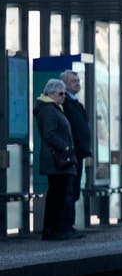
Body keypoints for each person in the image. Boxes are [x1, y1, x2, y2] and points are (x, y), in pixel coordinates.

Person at [34, 78, 80, 240]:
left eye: (64, 93)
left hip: (58, 160)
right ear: (51, 93)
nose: (64, 96)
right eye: (61, 93)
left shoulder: (54, 108)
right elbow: (49, 134)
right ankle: (52, 230)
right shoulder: (48, 110)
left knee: (59, 195)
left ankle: (57, 229)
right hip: (56, 160)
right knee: (56, 195)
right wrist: (65, 147)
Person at [60, 70, 93, 233]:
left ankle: (69, 225)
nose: (78, 83)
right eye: (73, 81)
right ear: (64, 85)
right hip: (71, 155)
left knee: (74, 191)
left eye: (78, 80)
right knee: (69, 190)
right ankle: (66, 226)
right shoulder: (65, 103)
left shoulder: (77, 104)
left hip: (78, 154)